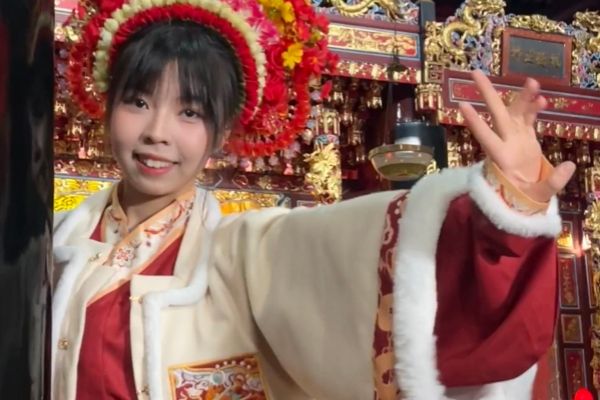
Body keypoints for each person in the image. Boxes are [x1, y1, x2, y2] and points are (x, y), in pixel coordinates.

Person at [52, 0, 575, 399]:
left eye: (189, 113)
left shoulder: (244, 254)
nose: (157, 133)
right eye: (138, 102)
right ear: (107, 107)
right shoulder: (50, 248)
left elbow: (388, 262)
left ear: (221, 134)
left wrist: (504, 214)